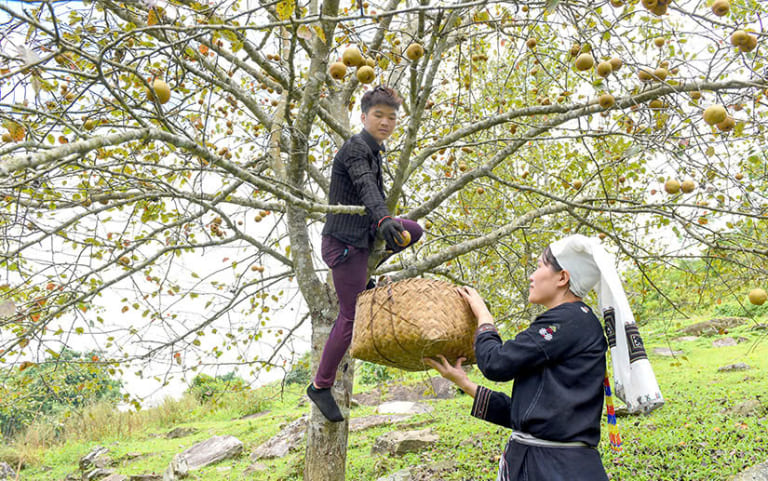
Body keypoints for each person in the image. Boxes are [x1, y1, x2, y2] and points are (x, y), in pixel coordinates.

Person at [425, 235, 663, 481]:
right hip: (558, 466)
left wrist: (484, 318)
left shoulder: (567, 321)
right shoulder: (578, 323)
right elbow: (525, 415)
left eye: (539, 266)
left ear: (562, 277)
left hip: (549, 469)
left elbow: (495, 364)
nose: (531, 276)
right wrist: (463, 382)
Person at [307, 85, 423, 422]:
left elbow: (373, 190)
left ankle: (365, 278)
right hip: (344, 243)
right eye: (378, 116)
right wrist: (384, 218)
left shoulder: (376, 151)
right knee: (351, 316)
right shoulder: (357, 148)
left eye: (391, 117)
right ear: (363, 117)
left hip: (364, 234)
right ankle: (320, 386)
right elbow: (364, 185)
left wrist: (383, 223)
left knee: (413, 230)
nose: (386, 122)